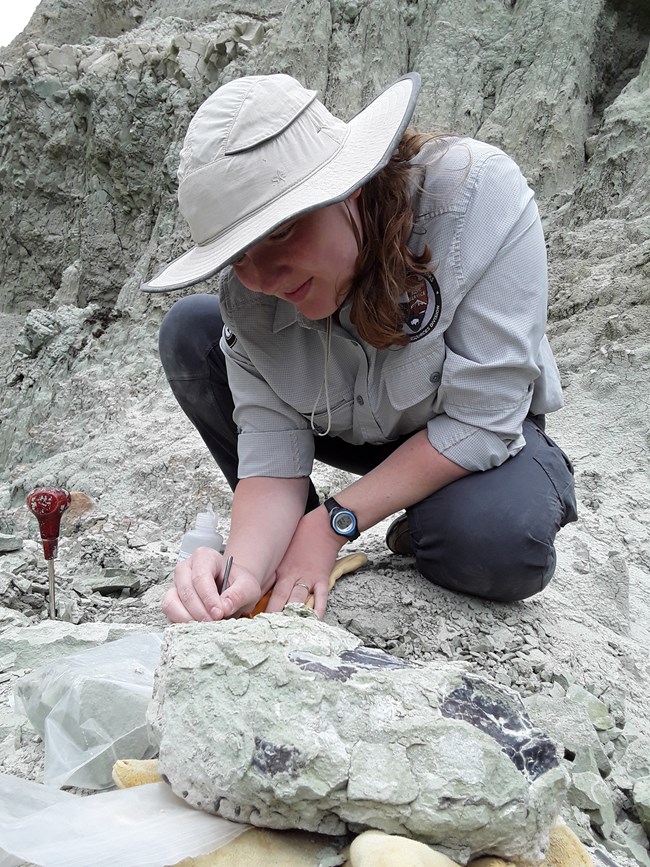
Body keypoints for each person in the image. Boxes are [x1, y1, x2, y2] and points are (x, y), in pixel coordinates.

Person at [142, 72, 578, 624]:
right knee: (190, 330)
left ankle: (419, 513)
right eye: (237, 255)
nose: (264, 277)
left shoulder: (477, 196)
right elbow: (271, 454)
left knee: (496, 544)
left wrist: (335, 523)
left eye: (280, 231)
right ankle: (294, 542)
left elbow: (485, 416)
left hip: (475, 428)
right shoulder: (247, 299)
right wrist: (242, 571)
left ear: (350, 184)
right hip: (351, 432)